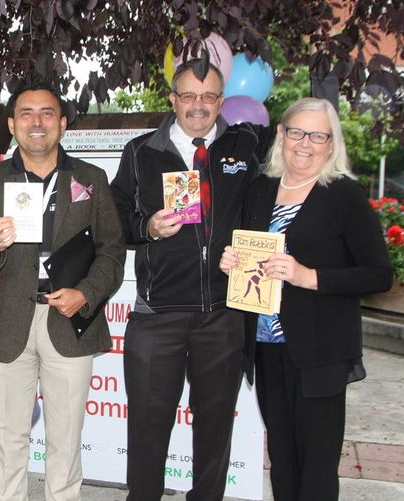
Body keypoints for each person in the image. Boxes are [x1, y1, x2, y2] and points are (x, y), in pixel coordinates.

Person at [110, 59, 274, 501]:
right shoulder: (141, 151)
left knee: (216, 425)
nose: (197, 106)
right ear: (172, 99)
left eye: (208, 97)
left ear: (221, 102)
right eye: (188, 95)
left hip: (222, 314)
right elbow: (113, 219)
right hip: (156, 313)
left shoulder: (246, 148)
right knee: (147, 425)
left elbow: (267, 209)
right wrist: (148, 228)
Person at [219, 97, 393, 501]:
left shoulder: (344, 194)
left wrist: (308, 276)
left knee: (316, 464)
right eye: (296, 131)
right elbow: (251, 250)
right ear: (281, 134)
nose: (305, 143)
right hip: (266, 346)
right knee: (282, 457)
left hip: (321, 352)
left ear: (331, 144)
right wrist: (233, 261)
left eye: (317, 135)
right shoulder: (260, 189)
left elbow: (379, 273)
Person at [0, 82, 125, 501]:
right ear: (13, 124)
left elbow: (112, 250)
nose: (38, 122)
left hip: (69, 321)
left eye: (47, 113)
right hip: (7, 323)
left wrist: (86, 294)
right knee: (8, 440)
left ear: (62, 123)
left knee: (65, 441)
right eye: (27, 114)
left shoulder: (91, 178)